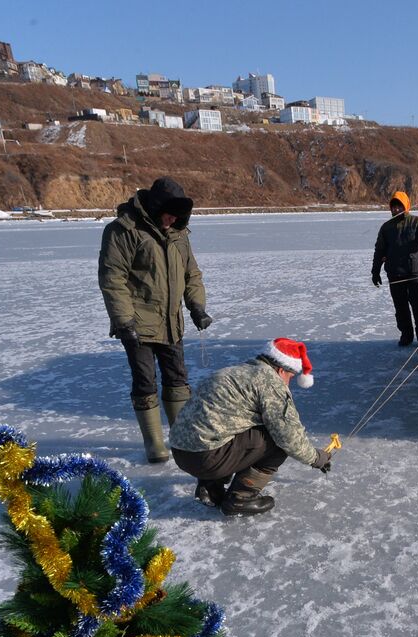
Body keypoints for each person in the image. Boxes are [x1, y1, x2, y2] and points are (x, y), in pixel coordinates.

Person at [98, 176, 213, 463]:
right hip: (137, 324)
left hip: (171, 322)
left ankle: (181, 437)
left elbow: (191, 274)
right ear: (155, 206)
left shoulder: (179, 234)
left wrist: (197, 306)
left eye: (177, 217)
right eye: (168, 214)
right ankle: (154, 444)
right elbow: (113, 278)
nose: (171, 220)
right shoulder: (124, 230)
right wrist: (124, 321)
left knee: (177, 379)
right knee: (145, 381)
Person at [169, 338, 334, 517]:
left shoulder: (234, 372)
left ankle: (209, 488)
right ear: (281, 370)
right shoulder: (270, 383)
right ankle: (241, 498)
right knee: (276, 440)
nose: (288, 383)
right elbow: (288, 436)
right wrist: (317, 458)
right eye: (290, 377)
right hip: (207, 458)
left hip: (181, 452)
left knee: (232, 427)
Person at [371, 190, 418, 346]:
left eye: (399, 206)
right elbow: (379, 250)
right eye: (393, 206)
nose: (396, 209)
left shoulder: (417, 222)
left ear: (406, 206)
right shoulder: (386, 228)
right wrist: (375, 271)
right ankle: (406, 335)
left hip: (413, 273)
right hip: (395, 275)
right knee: (401, 308)